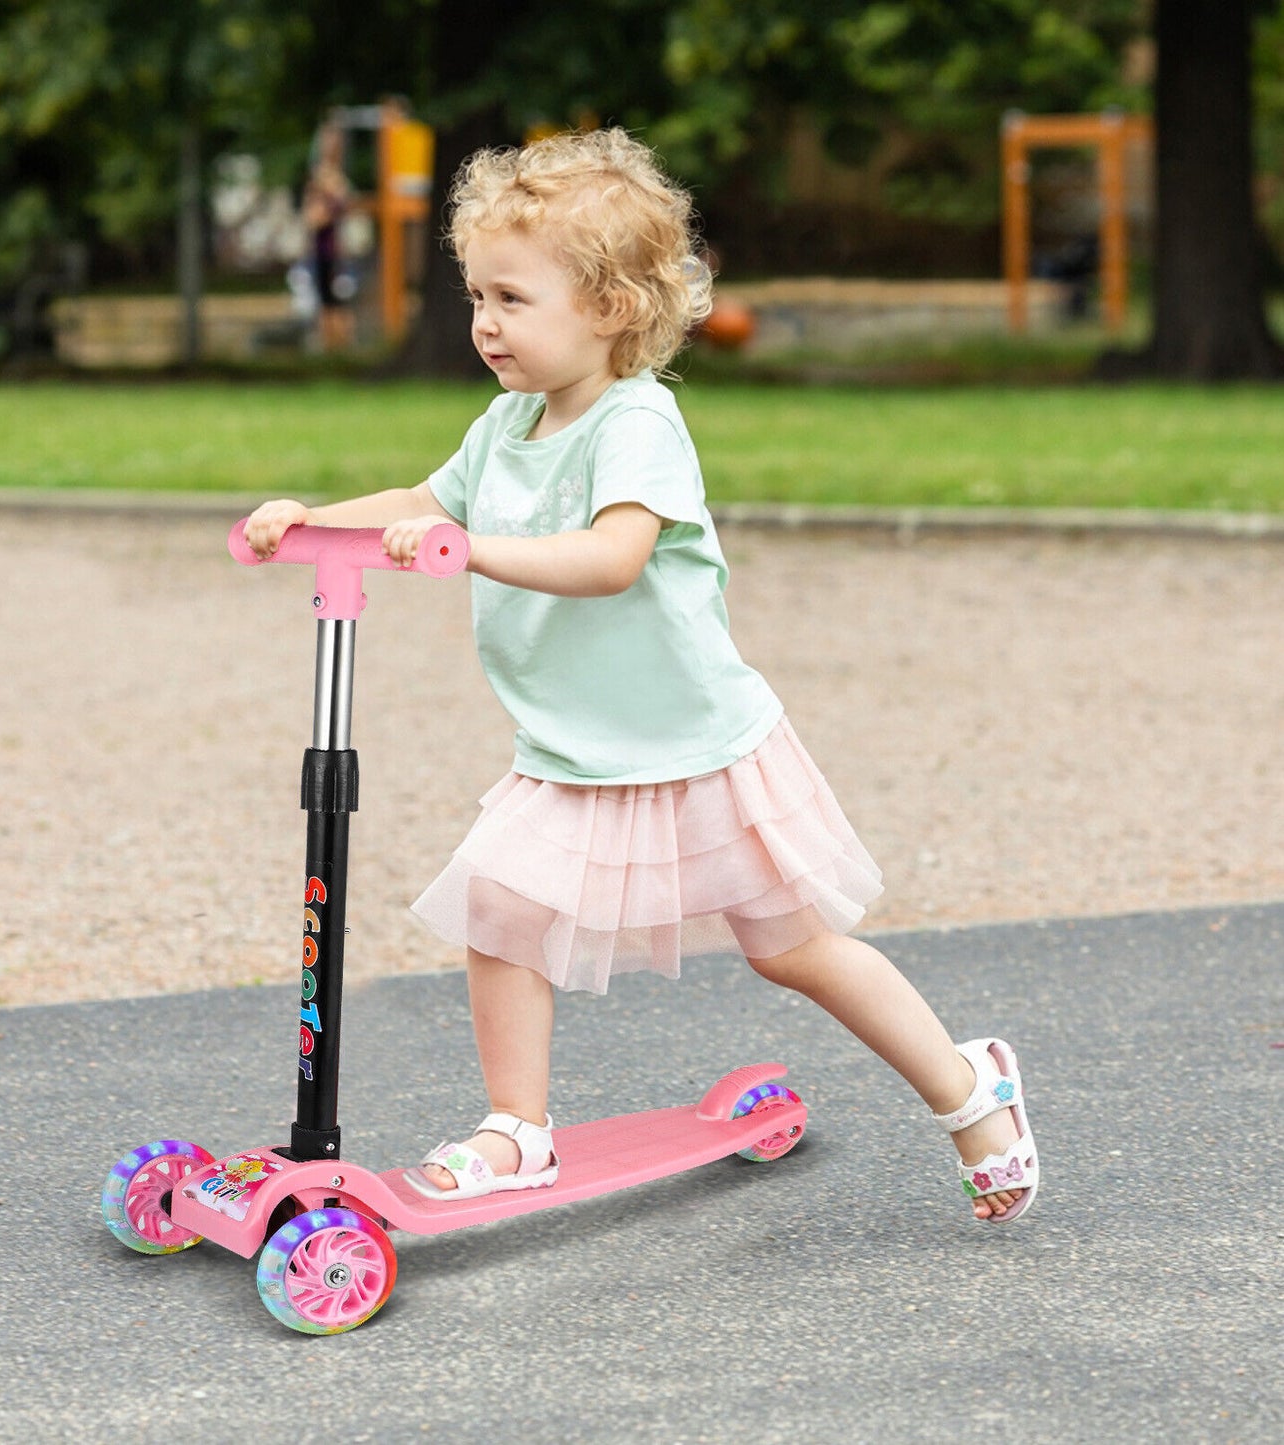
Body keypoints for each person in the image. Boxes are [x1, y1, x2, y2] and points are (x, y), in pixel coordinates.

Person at [244, 128, 1039, 1223]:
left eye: (512, 299)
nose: (483, 321)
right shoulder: (506, 424)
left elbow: (611, 560)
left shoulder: (636, 424)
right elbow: (426, 504)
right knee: (503, 909)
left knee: (795, 949)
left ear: (609, 307)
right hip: (573, 748)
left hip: (695, 742)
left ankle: (968, 1089)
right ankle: (514, 1129)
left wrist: (473, 550)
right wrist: (310, 520)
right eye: (477, 294)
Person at [302, 122, 355, 350]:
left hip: (333, 248)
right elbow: (311, 217)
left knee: (335, 300)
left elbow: (319, 215)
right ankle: (331, 347)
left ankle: (338, 347)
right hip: (322, 247)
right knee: (326, 299)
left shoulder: (333, 180)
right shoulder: (322, 178)